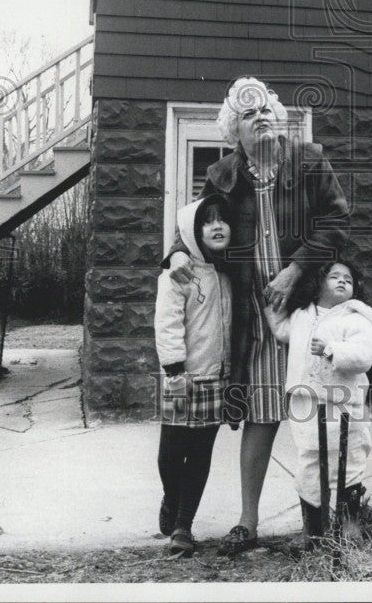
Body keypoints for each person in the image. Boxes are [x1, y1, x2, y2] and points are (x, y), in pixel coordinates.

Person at [163, 76, 349, 556]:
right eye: (249, 114)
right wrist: (177, 254)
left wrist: (295, 270)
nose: (261, 117)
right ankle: (248, 521)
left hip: (307, 308)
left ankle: (325, 518)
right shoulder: (223, 173)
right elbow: (201, 225)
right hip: (257, 317)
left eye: (266, 108)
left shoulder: (308, 161)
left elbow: (336, 222)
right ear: (234, 131)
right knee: (262, 417)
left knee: (318, 414)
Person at [264, 260, 372, 544]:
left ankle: (349, 524)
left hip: (345, 403)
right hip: (306, 401)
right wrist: (267, 299)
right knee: (309, 461)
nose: (342, 281)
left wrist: (332, 350)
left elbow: (364, 356)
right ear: (317, 284)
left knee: (350, 458)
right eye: (334, 276)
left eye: (348, 279)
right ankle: (313, 530)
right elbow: (281, 329)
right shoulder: (302, 314)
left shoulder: (357, 318)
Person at [154, 194, 233, 557]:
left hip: (217, 379)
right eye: (207, 221)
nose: (217, 226)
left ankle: (184, 525)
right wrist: (173, 369)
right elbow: (167, 323)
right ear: (191, 230)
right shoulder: (178, 273)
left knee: (200, 454)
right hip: (182, 376)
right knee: (170, 455)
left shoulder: (232, 272)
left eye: (222, 220)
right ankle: (172, 498)